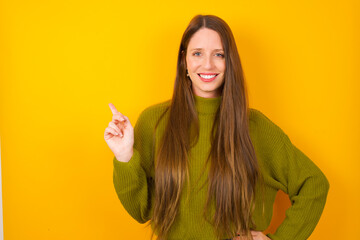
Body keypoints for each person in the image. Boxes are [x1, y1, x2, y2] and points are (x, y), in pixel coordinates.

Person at [104, 15, 329, 240]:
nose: (208, 64)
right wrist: (124, 156)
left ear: (229, 61)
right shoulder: (154, 121)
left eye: (219, 54)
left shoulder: (255, 126)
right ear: (184, 61)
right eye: (197, 53)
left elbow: (314, 184)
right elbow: (141, 211)